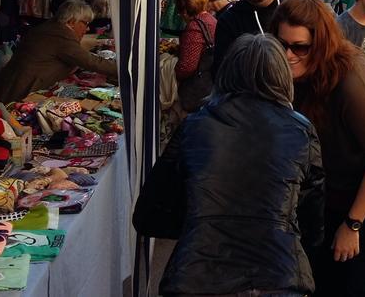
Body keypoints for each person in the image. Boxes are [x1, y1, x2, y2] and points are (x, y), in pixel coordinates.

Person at [134, 34, 325, 297]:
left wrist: (200, 223)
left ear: (227, 72)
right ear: (282, 76)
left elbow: (149, 215)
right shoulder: (300, 130)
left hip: (198, 276)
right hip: (278, 275)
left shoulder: (195, 126)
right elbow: (312, 220)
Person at [271, 0, 365, 297]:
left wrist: (353, 224)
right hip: (333, 180)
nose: (288, 53)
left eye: (299, 46)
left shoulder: (352, 81)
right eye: (281, 44)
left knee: (352, 275)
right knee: (323, 271)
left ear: (319, 45)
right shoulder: (292, 70)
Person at [0, 0, 116, 103]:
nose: (87, 29)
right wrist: (124, 69)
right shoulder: (61, 35)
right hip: (16, 94)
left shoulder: (51, 28)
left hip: (8, 88)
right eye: (86, 23)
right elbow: (90, 61)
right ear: (71, 21)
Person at [173, 0, 218, 112]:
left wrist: (171, 71)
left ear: (185, 10)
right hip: (212, 84)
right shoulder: (211, 19)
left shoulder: (195, 27)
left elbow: (187, 66)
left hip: (198, 89)